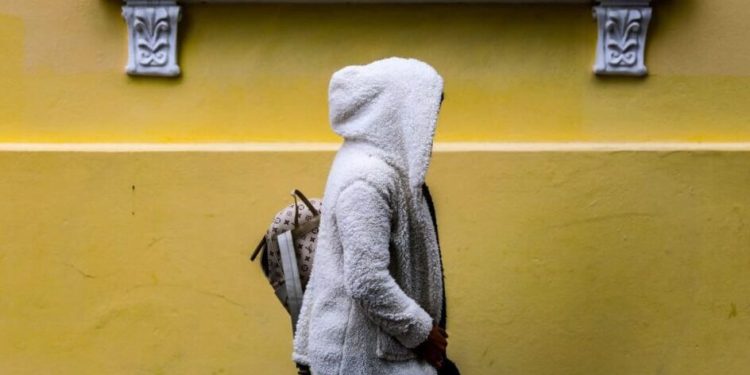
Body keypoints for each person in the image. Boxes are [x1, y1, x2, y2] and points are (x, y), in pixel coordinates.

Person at [293, 57, 449, 375]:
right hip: (360, 360)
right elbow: (367, 280)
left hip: (378, 352)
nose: (429, 123)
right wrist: (422, 333)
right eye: (424, 109)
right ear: (395, 109)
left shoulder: (380, 166)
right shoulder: (367, 178)